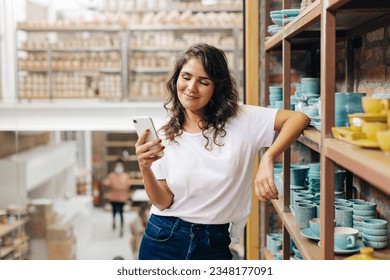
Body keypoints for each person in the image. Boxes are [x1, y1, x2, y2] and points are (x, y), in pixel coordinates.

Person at [135, 43, 310, 260]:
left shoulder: (242, 118)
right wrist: (145, 169)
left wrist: (269, 156)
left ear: (216, 87)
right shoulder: (164, 133)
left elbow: (298, 118)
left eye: (203, 81)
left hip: (213, 241)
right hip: (162, 238)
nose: (191, 87)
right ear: (176, 80)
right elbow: (163, 202)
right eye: (186, 77)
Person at [103, 159, 131, 237]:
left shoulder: (125, 175)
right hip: (113, 197)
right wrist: (119, 187)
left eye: (120, 166)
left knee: (121, 213)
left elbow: (127, 186)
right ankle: (114, 222)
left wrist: (117, 187)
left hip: (122, 198)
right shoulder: (111, 175)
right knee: (114, 212)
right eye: (117, 166)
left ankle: (121, 228)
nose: (119, 168)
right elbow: (108, 184)